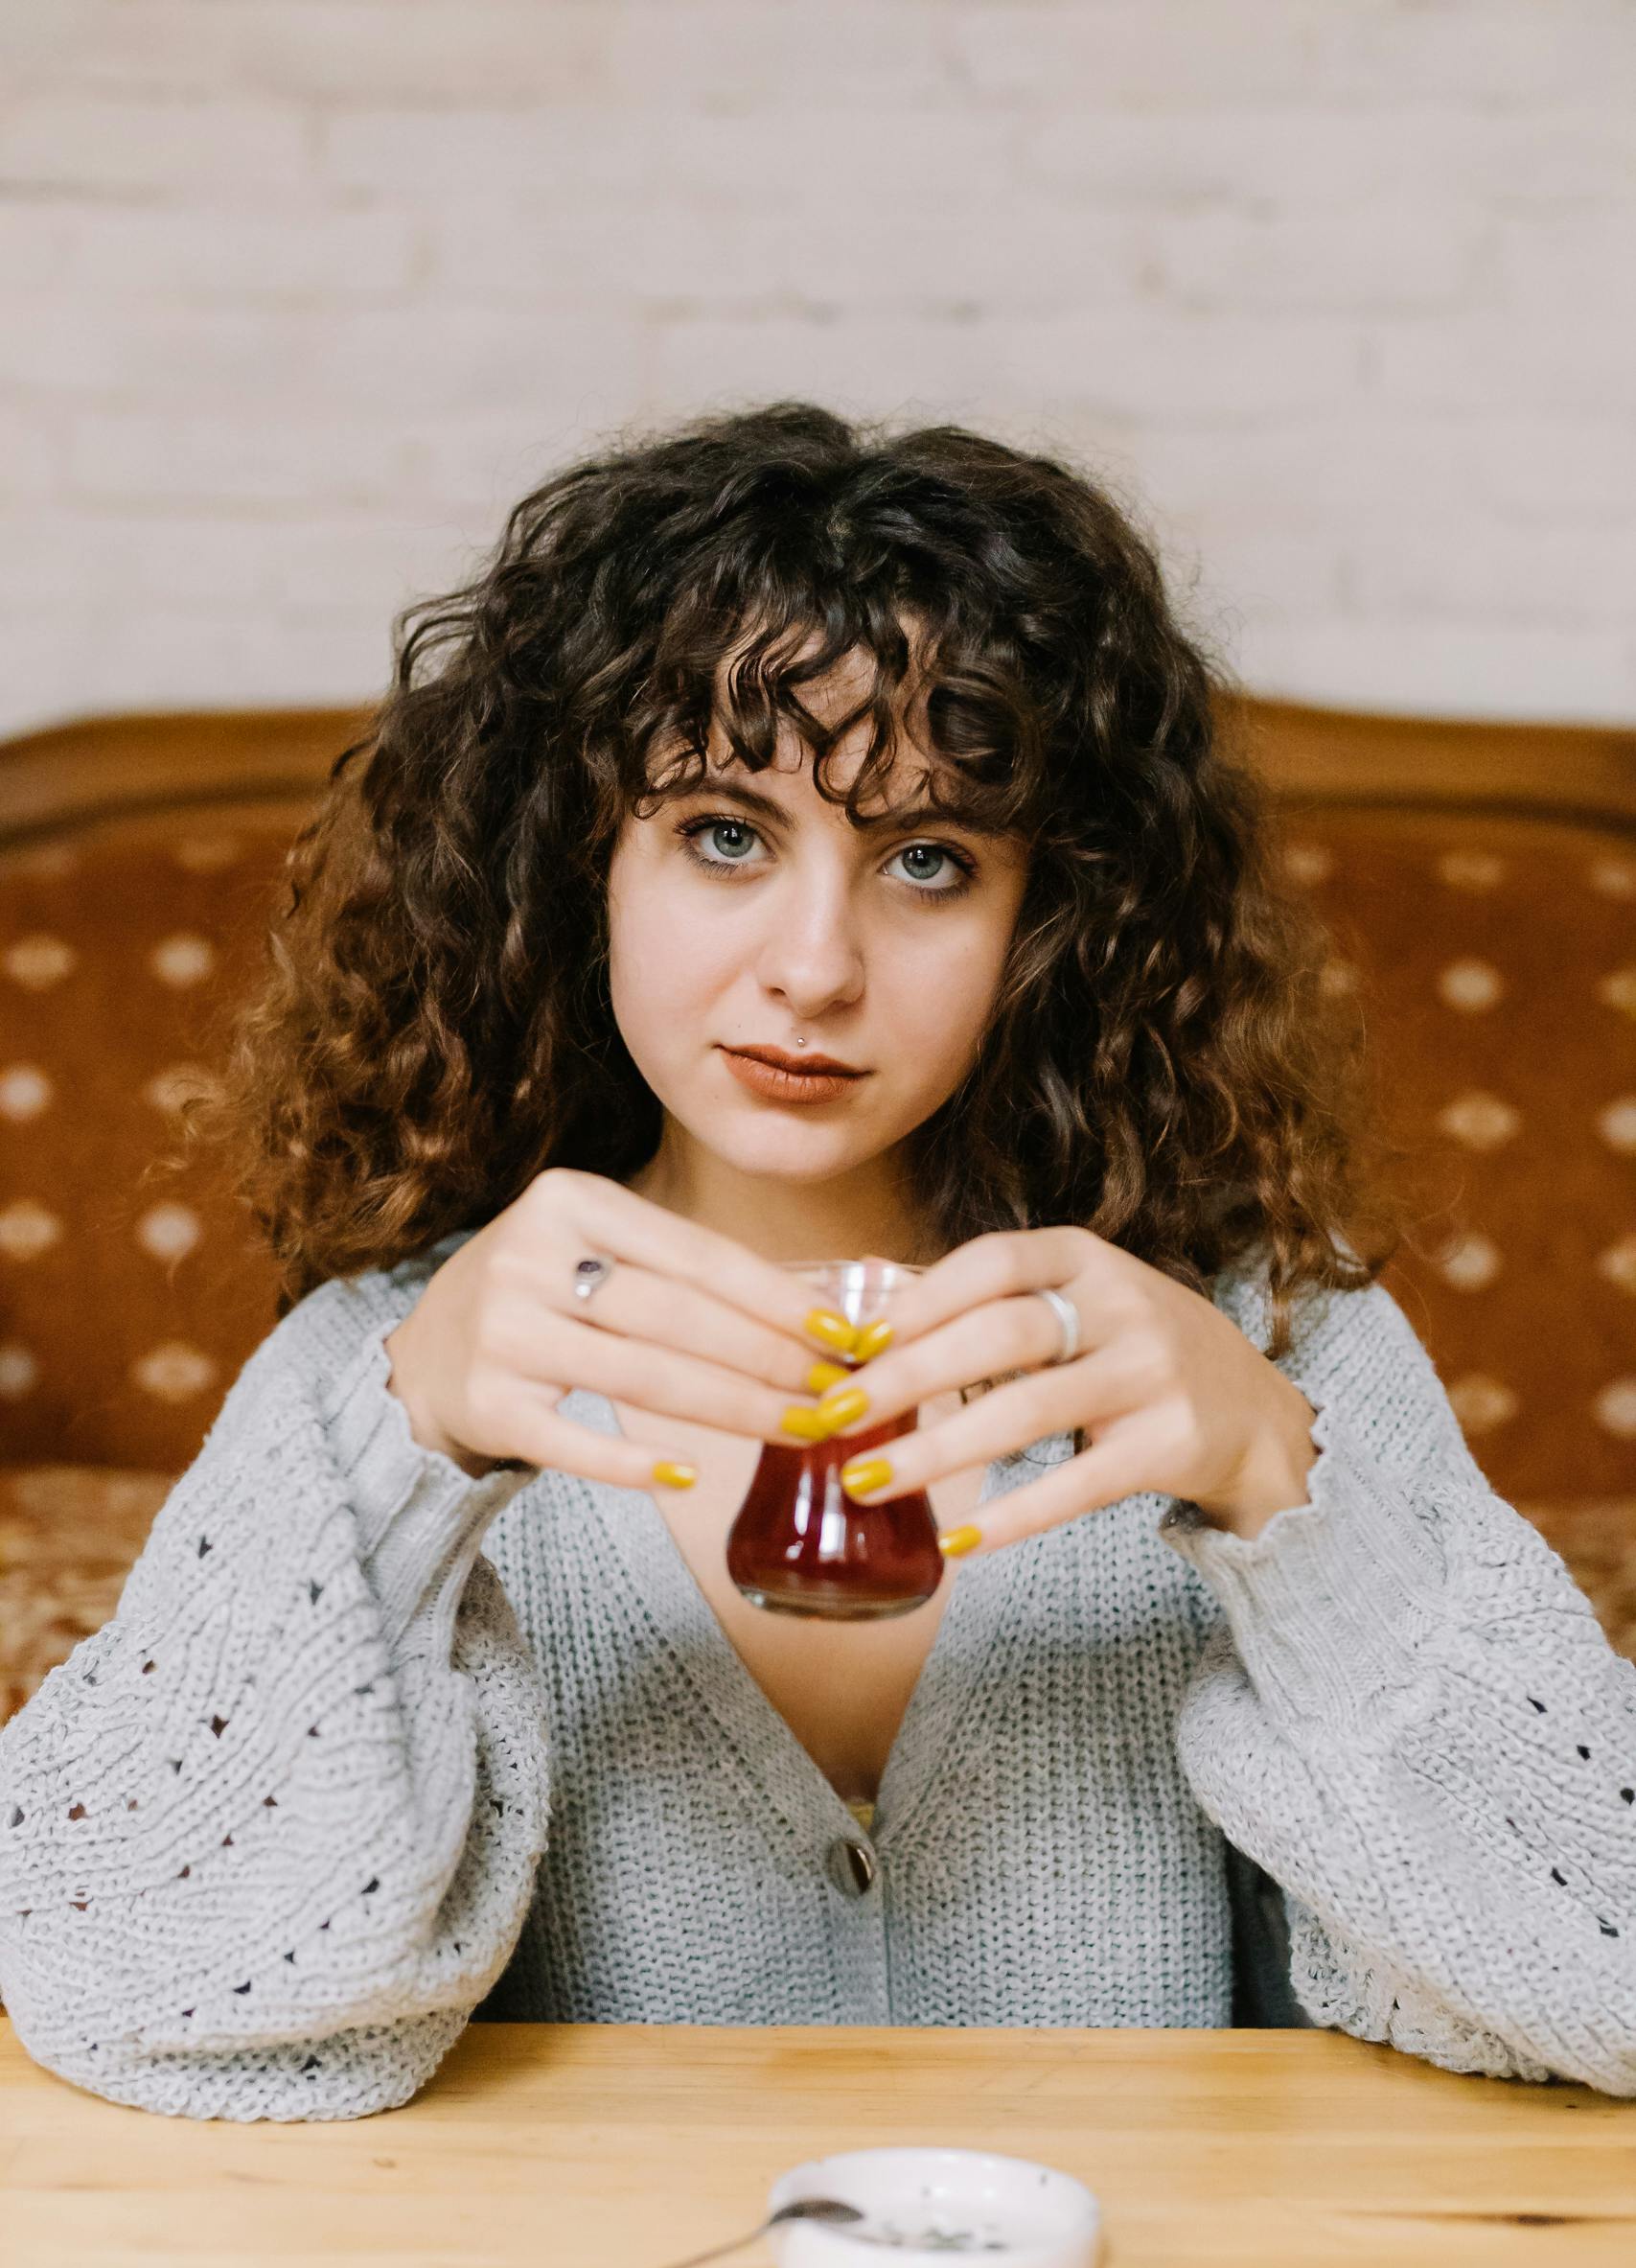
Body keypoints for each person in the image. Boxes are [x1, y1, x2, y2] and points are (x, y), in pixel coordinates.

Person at [3, 403, 1632, 2122]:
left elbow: (1605, 1987)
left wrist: (1286, 1497)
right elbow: (118, 1988)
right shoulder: (401, 1365)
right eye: (722, 833)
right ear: (587, 862)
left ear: (1045, 922)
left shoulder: (1271, 1354)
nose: (815, 967)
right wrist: (392, 1452)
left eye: (928, 861)